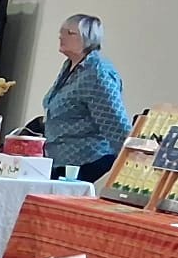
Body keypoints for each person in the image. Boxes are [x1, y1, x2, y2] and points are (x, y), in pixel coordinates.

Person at [43, 13, 131, 181]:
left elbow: (116, 124)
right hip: (60, 159)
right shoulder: (71, 66)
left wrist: (130, 167)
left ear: (88, 38)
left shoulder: (98, 73)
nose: (61, 36)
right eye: (61, 31)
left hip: (85, 159)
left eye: (69, 33)